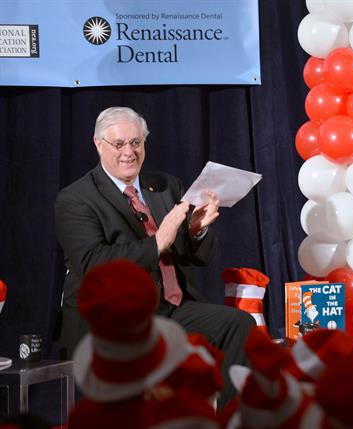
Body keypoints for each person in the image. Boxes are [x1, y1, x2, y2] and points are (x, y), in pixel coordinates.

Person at [54, 106, 255, 408]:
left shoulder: (164, 186)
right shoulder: (76, 198)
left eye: (136, 142)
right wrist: (158, 241)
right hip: (112, 317)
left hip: (166, 307)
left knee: (238, 324)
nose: (129, 152)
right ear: (99, 145)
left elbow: (193, 255)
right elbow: (92, 264)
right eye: (119, 144)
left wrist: (195, 230)